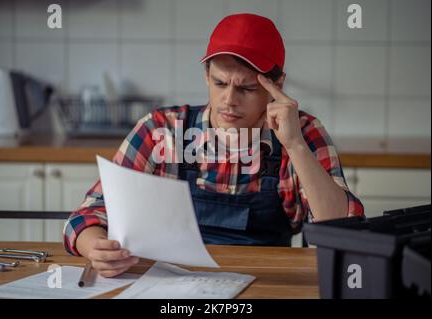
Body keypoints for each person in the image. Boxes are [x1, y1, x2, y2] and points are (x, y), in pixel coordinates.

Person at [63, 13, 364, 278]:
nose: (230, 100)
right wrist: (95, 248)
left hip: (269, 282)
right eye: (220, 83)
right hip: (172, 286)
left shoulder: (303, 132)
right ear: (206, 74)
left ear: (277, 86)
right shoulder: (161, 130)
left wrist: (295, 145)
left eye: (247, 87)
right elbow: (88, 214)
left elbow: (342, 229)